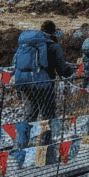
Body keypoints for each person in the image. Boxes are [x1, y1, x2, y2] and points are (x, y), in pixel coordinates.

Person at [13, 20, 74, 148]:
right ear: (53, 31)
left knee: (30, 115)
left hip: (26, 84)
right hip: (44, 86)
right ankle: (45, 149)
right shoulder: (53, 46)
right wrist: (72, 70)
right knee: (48, 117)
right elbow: (62, 70)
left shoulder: (28, 44)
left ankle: (21, 145)